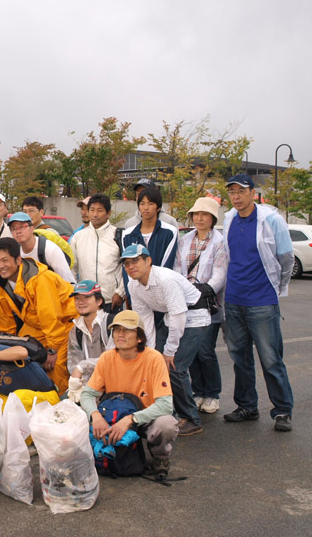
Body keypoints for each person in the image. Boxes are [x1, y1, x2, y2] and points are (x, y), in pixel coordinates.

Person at [222, 174, 294, 432]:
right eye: (232, 192)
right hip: (234, 300)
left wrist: (276, 289)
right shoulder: (229, 219)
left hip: (262, 301)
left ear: (253, 192)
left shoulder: (272, 220)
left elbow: (286, 259)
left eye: (241, 191)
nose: (236, 197)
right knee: (240, 358)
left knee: (271, 359)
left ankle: (283, 410)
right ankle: (246, 406)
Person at [80, 310, 179, 479]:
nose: (120, 334)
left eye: (127, 330)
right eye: (117, 329)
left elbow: (165, 404)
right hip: (113, 415)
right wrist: (96, 416)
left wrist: (130, 419)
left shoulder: (154, 358)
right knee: (75, 414)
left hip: (143, 417)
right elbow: (87, 394)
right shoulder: (106, 358)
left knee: (166, 424)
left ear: (139, 337)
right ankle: (99, 457)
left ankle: (160, 458)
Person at [122, 244, 206, 436]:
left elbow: (179, 317)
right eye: (127, 263)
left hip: (194, 316)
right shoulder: (133, 284)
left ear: (148, 260)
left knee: (175, 366)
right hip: (172, 318)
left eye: (135, 261)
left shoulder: (165, 279)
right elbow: (145, 318)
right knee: (154, 362)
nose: (131, 266)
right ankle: (169, 412)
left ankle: (192, 419)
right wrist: (150, 351)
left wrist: (169, 352)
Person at [0, 237, 77, 394]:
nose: (1, 266)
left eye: (5, 260)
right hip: (35, 323)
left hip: (63, 323)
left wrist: (52, 350)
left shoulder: (39, 279)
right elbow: (4, 318)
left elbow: (51, 316)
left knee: (55, 367)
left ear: (18, 260)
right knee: (22, 360)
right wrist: (8, 346)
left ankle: (59, 403)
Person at [174, 197, 227, 414]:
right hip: (187, 302)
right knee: (191, 349)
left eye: (204, 214)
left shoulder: (219, 242)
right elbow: (178, 267)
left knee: (206, 349)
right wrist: (181, 290)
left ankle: (212, 394)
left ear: (213, 218)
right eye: (196, 214)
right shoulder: (185, 240)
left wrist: (206, 289)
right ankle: (198, 392)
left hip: (207, 302)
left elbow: (221, 272)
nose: (199, 218)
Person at [121, 186, 178, 304]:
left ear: (158, 207)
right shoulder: (127, 234)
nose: (146, 208)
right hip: (137, 296)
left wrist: (157, 293)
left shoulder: (169, 232)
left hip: (162, 295)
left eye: (150, 203)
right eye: (142, 204)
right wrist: (131, 295)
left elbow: (167, 265)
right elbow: (126, 267)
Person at [70, 194, 125, 312]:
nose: (95, 214)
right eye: (92, 210)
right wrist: (77, 291)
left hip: (111, 301)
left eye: (100, 210)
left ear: (108, 213)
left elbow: (125, 267)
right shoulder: (78, 237)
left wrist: (120, 292)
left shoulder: (118, 236)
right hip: (87, 300)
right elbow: (72, 268)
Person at [67, 280, 115, 402]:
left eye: (87, 297)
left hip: (114, 387)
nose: (81, 302)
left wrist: (82, 366)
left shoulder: (112, 323)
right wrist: (79, 385)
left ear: (99, 301)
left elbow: (112, 359)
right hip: (88, 388)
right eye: (77, 298)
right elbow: (73, 363)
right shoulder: (75, 329)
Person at [8, 212, 76, 284]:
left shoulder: (50, 249)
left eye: (22, 227)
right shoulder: (16, 253)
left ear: (32, 228)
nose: (18, 231)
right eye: (14, 228)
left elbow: (68, 281)